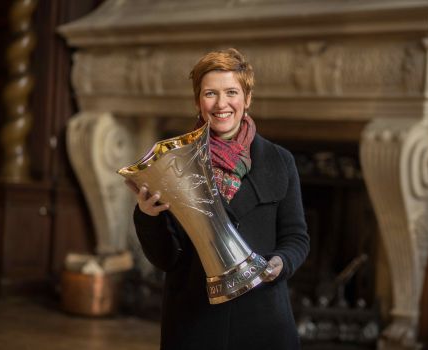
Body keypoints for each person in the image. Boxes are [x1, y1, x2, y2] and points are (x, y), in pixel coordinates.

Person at [128, 48, 310, 350]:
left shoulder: (281, 161)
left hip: (264, 321)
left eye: (231, 92)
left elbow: (296, 237)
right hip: (194, 322)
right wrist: (148, 216)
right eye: (210, 93)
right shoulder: (173, 164)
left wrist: (281, 262)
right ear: (199, 101)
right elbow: (165, 260)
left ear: (247, 99)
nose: (221, 104)